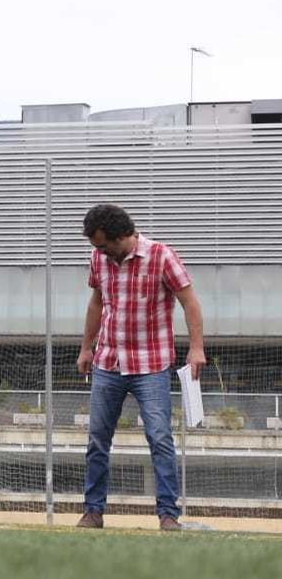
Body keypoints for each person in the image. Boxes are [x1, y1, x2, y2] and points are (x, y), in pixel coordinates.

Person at [75, 203, 204, 532]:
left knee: (159, 437)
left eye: (103, 245)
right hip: (108, 362)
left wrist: (196, 348)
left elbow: (190, 302)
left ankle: (167, 515)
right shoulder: (100, 260)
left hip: (151, 364)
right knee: (97, 439)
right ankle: (93, 511)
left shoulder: (162, 256)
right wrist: (86, 347)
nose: (100, 252)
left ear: (121, 236)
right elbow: (96, 303)